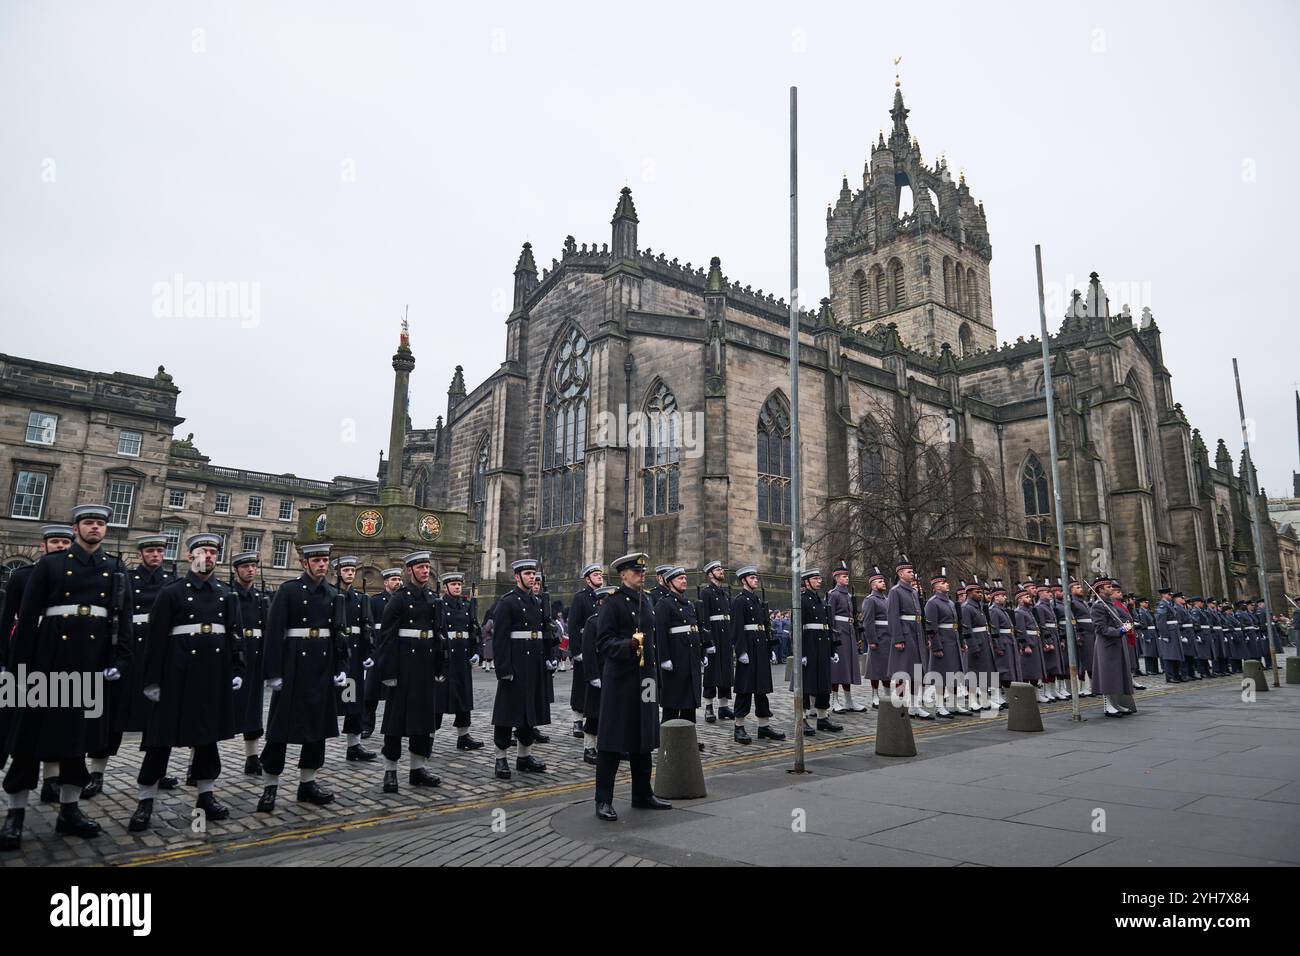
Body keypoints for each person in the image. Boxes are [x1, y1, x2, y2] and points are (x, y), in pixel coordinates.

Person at [1, 505, 131, 850]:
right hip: (49, 661)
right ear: (76, 528)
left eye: (100, 524)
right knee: (29, 740)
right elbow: (27, 619)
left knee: (76, 742)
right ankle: (14, 816)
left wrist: (120, 658)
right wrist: (18, 669)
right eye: (89, 523)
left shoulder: (115, 568)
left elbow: (124, 619)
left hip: (89, 664)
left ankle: (69, 811)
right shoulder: (50, 564)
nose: (95, 528)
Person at [128, 533, 245, 831]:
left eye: (213, 552)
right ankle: (145, 800)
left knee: (207, 741)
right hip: (176, 675)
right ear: (190, 555)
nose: (208, 557)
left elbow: (234, 634)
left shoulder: (225, 593)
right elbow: (155, 640)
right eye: (203, 551)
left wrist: (236, 669)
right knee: (160, 741)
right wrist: (151, 680)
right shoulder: (172, 592)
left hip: (211, 675)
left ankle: (205, 796)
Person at [256, 542, 350, 813]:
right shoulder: (288, 591)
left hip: (321, 667)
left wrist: (340, 667)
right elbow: (274, 633)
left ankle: (307, 783)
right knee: (280, 730)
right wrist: (273, 672)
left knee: (316, 729)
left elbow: (338, 635)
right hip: (293, 666)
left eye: (325, 560)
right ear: (304, 563)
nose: (322, 565)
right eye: (317, 560)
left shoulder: (333, 594)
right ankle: (270, 786)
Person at [82, 533, 178, 798]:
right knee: (114, 717)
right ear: (140, 554)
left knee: (156, 719)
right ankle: (97, 772)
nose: (156, 555)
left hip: (157, 654)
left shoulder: (171, 583)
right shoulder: (125, 580)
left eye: (160, 551)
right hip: (129, 651)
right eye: (150, 551)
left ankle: (157, 770)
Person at [593, 552, 671, 822]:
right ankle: (603, 799)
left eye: (643, 571)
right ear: (623, 575)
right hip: (621, 680)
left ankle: (642, 794)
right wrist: (626, 646)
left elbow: (654, 642)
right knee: (612, 740)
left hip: (646, 679)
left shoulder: (648, 599)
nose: (641, 574)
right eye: (636, 572)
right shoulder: (613, 603)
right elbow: (602, 642)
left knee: (644, 737)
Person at [1, 524, 75, 800]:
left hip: (63, 658)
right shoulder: (23, 577)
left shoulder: (77, 578)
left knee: (57, 723)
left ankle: (52, 781)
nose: (61, 546)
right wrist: (4, 659)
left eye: (65, 542)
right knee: (20, 724)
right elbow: (7, 618)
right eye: (55, 542)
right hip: (27, 657)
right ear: (43, 546)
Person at [375, 552, 446, 794]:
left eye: (427, 567)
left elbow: (439, 637)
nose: (425, 571)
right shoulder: (399, 600)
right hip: (403, 668)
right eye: (421, 567)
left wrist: (439, 666)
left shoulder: (433, 599)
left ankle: (418, 769)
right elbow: (386, 638)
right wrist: (388, 671)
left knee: (422, 722)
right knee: (395, 723)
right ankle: (390, 771)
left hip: (425, 668)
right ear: (409, 571)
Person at [489, 560, 549, 780]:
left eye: (533, 573)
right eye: (527, 573)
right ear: (517, 577)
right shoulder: (507, 602)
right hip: (514, 665)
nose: (532, 577)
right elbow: (500, 639)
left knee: (528, 713)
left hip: (532, 664)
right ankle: (500, 758)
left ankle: (524, 757)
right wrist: (503, 669)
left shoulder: (537, 601)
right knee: (507, 714)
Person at [731, 565, 785, 744]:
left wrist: (768, 648)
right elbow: (737, 628)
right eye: (752, 578)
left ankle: (764, 726)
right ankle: (739, 727)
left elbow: (764, 627)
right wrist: (740, 651)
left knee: (762, 689)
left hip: (760, 647)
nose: (755, 580)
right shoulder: (740, 601)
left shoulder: (756, 599)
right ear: (743, 581)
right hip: (748, 647)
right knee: (745, 690)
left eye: (756, 578)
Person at [655, 567, 706, 748]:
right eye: (680, 579)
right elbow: (660, 633)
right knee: (673, 701)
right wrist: (664, 658)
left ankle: (687, 739)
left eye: (685, 578)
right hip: (675, 659)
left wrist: (701, 654)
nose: (684, 581)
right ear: (670, 582)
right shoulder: (664, 604)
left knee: (689, 703)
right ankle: (667, 739)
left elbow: (695, 631)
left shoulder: (689, 604)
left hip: (690, 659)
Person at [229, 550, 269, 776]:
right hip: (232, 659)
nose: (250, 570)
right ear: (236, 570)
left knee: (253, 711)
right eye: (245, 567)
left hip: (254, 658)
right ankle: (197, 762)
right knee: (218, 712)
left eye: (253, 566)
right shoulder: (227, 594)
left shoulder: (261, 598)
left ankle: (252, 757)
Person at [333, 557, 377, 762]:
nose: (350, 573)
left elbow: (368, 630)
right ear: (337, 573)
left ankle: (354, 744)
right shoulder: (331, 596)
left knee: (352, 702)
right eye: (346, 570)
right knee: (328, 703)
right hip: (332, 657)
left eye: (352, 570)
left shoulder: (361, 599)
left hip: (354, 657)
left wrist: (369, 654)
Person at [438, 571, 483, 750]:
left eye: (459, 584)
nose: (457, 587)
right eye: (453, 584)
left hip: (463, 657)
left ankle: (463, 735)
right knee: (439, 698)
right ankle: (430, 735)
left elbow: (475, 631)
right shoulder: (439, 605)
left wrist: (477, 652)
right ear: (445, 587)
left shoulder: (466, 606)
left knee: (464, 698)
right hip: (446, 657)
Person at [793, 569, 842, 734]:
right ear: (806, 582)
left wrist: (832, 649)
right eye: (815, 579)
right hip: (810, 645)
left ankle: (822, 718)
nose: (819, 581)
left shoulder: (821, 600)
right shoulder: (802, 600)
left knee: (823, 682)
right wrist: (801, 653)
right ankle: (804, 718)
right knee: (807, 684)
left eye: (820, 578)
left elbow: (828, 626)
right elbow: (797, 629)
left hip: (822, 646)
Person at [362, 568, 404, 737]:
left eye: (399, 579)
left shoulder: (403, 600)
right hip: (379, 650)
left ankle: (396, 725)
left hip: (397, 651)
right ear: (386, 582)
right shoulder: (376, 601)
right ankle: (366, 726)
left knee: (397, 693)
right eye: (393, 579)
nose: (397, 582)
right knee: (370, 692)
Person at [887, 557, 928, 718]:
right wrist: (898, 639)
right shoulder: (895, 591)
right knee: (902, 672)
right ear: (901, 573)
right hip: (904, 634)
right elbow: (893, 616)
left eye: (912, 571)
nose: (913, 574)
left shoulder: (913, 592)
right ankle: (900, 704)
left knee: (917, 672)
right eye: (909, 572)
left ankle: (915, 705)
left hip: (916, 633)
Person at [579, 586, 616, 764]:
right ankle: (589, 747)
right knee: (594, 714)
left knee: (612, 713)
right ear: (600, 602)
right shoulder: (593, 622)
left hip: (614, 674)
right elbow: (588, 651)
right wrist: (592, 675)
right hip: (599, 675)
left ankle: (609, 746)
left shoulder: (616, 621)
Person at [567, 563, 604, 738]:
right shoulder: (580, 598)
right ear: (587, 579)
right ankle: (577, 720)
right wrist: (576, 652)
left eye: (600, 574)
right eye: (595, 574)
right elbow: (573, 627)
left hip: (601, 649)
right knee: (581, 685)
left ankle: (595, 718)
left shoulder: (606, 597)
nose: (599, 577)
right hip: (583, 647)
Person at [1089, 576, 1134, 716]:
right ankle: (1108, 706)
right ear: (1100, 589)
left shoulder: (1111, 604)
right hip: (1107, 644)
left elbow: (1123, 619)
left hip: (1117, 643)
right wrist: (1119, 631)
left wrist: (1126, 626)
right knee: (1108, 676)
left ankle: (1116, 703)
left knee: (1117, 675)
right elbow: (1100, 629)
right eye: (1108, 587)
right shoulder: (1098, 606)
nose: (1112, 588)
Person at [923, 568, 964, 718]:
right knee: (941, 677)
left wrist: (961, 642)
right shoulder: (932, 603)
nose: (947, 584)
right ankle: (940, 706)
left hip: (953, 641)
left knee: (953, 675)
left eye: (946, 582)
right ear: (935, 587)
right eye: (943, 582)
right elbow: (931, 627)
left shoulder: (951, 603)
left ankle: (953, 704)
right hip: (943, 642)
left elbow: (955, 624)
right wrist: (936, 646)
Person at [698, 560, 734, 724]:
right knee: (712, 672)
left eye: (721, 569)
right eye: (718, 569)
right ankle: (709, 707)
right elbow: (705, 620)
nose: (721, 571)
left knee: (726, 670)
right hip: (714, 635)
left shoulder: (725, 593)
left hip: (725, 636)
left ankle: (723, 706)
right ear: (710, 574)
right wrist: (708, 641)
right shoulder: (706, 593)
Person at [827, 563, 865, 712]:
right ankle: (834, 700)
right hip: (839, 633)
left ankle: (849, 700)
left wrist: (856, 635)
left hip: (849, 632)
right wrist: (834, 634)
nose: (847, 578)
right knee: (838, 668)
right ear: (837, 578)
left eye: (847, 576)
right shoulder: (833, 594)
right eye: (844, 576)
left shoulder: (848, 595)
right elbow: (831, 616)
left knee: (848, 668)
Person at [960, 579, 996, 711]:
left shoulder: (978, 607)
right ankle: (972, 701)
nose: (980, 594)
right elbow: (967, 629)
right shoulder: (966, 608)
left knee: (985, 672)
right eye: (977, 592)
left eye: (981, 592)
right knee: (973, 673)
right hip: (976, 642)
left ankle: (985, 700)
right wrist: (973, 646)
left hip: (984, 641)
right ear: (969, 593)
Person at [860, 566, 891, 709]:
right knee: (875, 669)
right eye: (880, 581)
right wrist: (871, 640)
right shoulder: (870, 600)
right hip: (878, 638)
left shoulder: (887, 599)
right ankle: (875, 695)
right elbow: (868, 621)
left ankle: (888, 694)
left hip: (889, 637)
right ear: (873, 585)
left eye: (883, 581)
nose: (883, 583)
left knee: (887, 668)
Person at [1012, 584, 1047, 702]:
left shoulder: (1029, 611)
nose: (1030, 598)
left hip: (1035, 641)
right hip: (1029, 643)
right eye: (1026, 597)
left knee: (1036, 671)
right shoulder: (1019, 612)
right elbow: (1021, 631)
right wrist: (1025, 645)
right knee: (1028, 671)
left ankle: (1036, 694)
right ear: (1020, 600)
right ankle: (1027, 696)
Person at [986, 581, 1017, 708]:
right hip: (1002, 643)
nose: (1005, 597)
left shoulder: (1002, 610)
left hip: (1008, 641)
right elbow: (995, 630)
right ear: (996, 597)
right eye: (1002, 595)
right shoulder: (994, 611)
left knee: (1008, 670)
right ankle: (996, 695)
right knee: (1000, 671)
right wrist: (998, 646)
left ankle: (1004, 696)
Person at [1067, 579, 1096, 697]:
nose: (1081, 589)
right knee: (1083, 662)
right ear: (1071, 590)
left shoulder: (1083, 602)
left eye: (1080, 587)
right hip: (1083, 634)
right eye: (1077, 588)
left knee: (1091, 661)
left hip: (1091, 633)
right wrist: (1078, 635)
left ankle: (1093, 685)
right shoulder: (1072, 603)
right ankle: (1083, 687)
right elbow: (1073, 620)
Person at [1135, 595, 1160, 679]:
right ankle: (1149, 669)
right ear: (1141, 603)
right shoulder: (1142, 612)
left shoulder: (1147, 611)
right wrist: (1146, 635)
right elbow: (1143, 625)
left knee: (1154, 651)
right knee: (1149, 652)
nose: (1147, 604)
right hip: (1148, 632)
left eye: (1147, 602)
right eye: (1145, 602)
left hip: (1152, 632)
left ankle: (1155, 669)